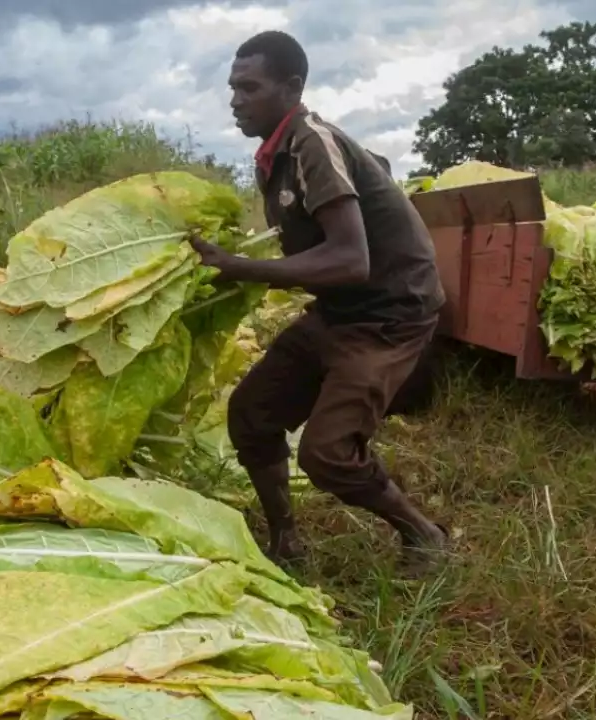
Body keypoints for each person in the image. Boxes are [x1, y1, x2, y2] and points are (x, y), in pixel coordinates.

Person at [186, 29, 449, 575]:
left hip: (389, 314)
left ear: (292, 87)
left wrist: (243, 269)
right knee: (251, 414)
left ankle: (425, 537)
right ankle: (286, 542)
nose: (236, 99)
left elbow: (352, 260)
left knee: (326, 455)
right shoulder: (276, 155)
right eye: (233, 87)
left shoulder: (310, 143)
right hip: (340, 310)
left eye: (250, 87)